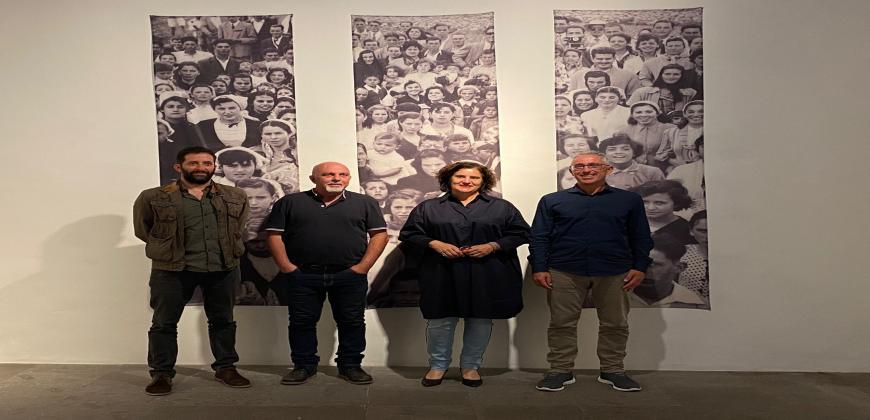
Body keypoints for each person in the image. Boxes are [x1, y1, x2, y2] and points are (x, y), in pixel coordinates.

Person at [133, 146, 252, 396]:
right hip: (172, 269)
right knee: (164, 323)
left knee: (223, 321)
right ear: (179, 167)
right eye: (194, 163)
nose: (201, 168)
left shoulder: (235, 195)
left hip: (223, 267)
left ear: (214, 166)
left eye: (207, 163)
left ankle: (226, 367)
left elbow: (238, 227)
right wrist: (168, 249)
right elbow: (144, 231)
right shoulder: (153, 197)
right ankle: (161, 374)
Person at [530, 151, 652, 393]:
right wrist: (540, 267)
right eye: (580, 166)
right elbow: (539, 237)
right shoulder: (552, 200)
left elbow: (641, 236)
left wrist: (640, 266)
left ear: (607, 169)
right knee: (561, 323)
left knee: (615, 323)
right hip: (564, 269)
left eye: (593, 165)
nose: (586, 170)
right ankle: (560, 370)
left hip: (615, 270)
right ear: (572, 171)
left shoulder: (629, 200)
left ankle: (613, 370)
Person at [400, 161, 530, 387]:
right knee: (440, 322)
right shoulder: (429, 207)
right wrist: (434, 243)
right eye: (460, 176)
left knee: (480, 321)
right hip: (441, 272)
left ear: (484, 181)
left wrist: (493, 246)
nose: (467, 181)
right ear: (449, 179)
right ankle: (438, 366)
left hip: (487, 272)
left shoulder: (502, 207)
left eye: (474, 178)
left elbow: (521, 233)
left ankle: (471, 366)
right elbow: (410, 234)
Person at [265, 162, 388, 385]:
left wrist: (362, 268)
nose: (335, 178)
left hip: (349, 276)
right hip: (303, 276)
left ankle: (350, 366)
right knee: (301, 322)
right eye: (328, 174)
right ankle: (303, 365)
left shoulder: (365, 202)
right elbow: (274, 235)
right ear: (314, 179)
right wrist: (286, 267)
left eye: (342, 174)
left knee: (352, 322)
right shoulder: (290, 202)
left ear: (349, 179)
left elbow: (379, 235)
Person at [632, 180, 695, 246]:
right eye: (645, 202)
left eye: (659, 203)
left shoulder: (686, 230)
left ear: (676, 203)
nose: (651, 208)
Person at [622, 101, 676, 171]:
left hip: (664, 169)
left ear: (657, 113)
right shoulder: (625, 130)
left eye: (649, 112)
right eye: (638, 112)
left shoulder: (670, 129)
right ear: (632, 115)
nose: (644, 115)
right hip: (634, 171)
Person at [599, 134, 665, 190]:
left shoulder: (652, 172)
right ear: (605, 154)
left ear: (634, 153)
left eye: (625, 149)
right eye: (612, 149)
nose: (619, 152)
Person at [628, 64, 697, 115]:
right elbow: (630, 112)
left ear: (682, 76)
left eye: (676, 74)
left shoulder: (690, 93)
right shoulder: (641, 92)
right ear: (661, 75)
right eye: (667, 74)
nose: (671, 77)